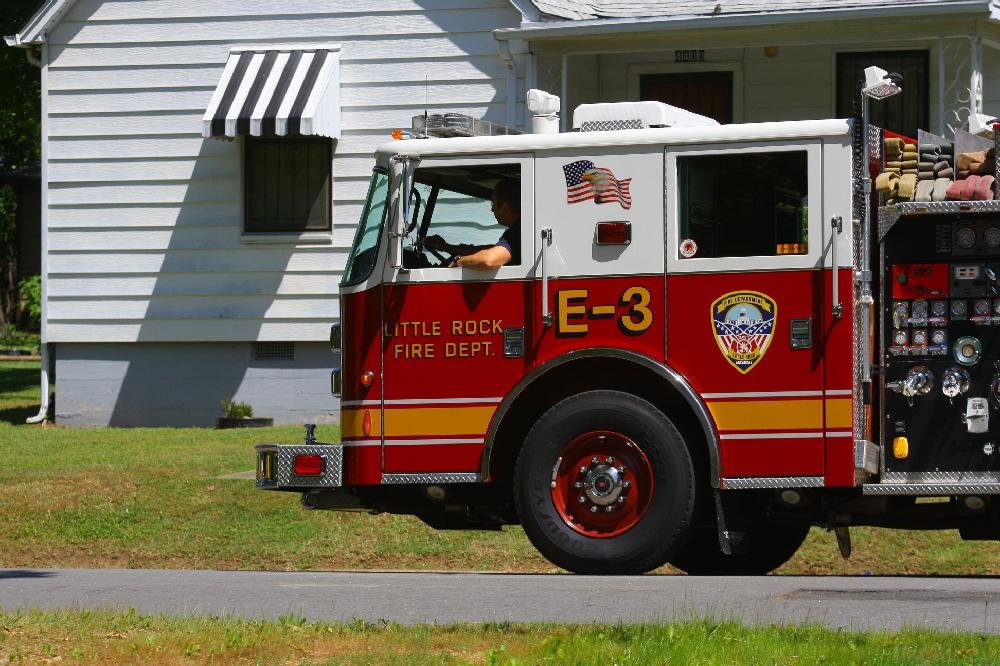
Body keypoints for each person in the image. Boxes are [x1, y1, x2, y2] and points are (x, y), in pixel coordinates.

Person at [425, 178, 520, 270]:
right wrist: (446, 247)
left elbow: (488, 260)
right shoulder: (519, 231)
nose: (492, 209)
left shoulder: (517, 233)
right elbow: (492, 249)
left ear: (504, 207)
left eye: (493, 204)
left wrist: (457, 262)